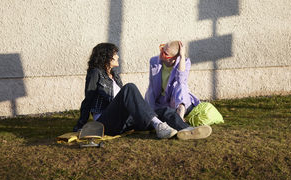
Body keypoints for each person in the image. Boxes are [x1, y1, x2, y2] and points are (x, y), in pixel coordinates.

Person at [73, 43, 210, 140]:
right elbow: (88, 99)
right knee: (130, 87)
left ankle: (186, 130)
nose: (118, 57)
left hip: (123, 121)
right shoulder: (95, 73)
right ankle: (159, 126)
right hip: (106, 121)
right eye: (115, 54)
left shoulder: (114, 74)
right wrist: (80, 126)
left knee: (163, 111)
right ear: (106, 57)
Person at [145, 41, 212, 139]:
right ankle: (184, 128)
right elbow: (151, 88)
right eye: (162, 50)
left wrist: (181, 56)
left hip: (178, 100)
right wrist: (149, 111)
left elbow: (181, 81)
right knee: (165, 111)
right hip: (162, 103)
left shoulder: (184, 62)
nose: (161, 55)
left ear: (175, 58)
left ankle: (180, 115)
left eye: (166, 54)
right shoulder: (154, 61)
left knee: (181, 85)